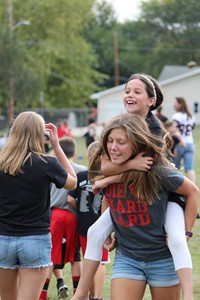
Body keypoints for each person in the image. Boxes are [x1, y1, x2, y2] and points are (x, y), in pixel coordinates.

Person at [71, 73, 197, 300]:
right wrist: (124, 168)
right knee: (94, 231)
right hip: (129, 211)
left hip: (165, 197)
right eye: (127, 91)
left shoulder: (154, 130)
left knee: (177, 239)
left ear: (151, 101)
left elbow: (147, 173)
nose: (130, 95)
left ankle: (189, 294)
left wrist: (111, 178)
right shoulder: (120, 124)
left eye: (137, 92)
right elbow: (103, 167)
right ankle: (80, 294)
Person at [0, 111, 77, 300]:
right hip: (35, 239)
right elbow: (72, 182)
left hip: (2, 238)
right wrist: (57, 146)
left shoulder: (1, 162)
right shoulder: (46, 163)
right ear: (39, 134)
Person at [39, 137, 87, 300]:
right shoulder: (81, 169)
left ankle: (43, 294)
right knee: (75, 257)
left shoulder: (52, 167)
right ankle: (77, 293)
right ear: (74, 151)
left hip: (54, 215)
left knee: (51, 256)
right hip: (73, 215)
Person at [67, 141, 109, 300]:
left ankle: (91, 294)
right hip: (100, 224)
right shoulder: (107, 178)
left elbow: (70, 199)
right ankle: (96, 296)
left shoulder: (82, 175)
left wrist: (81, 208)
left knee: (89, 259)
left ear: (89, 157)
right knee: (100, 261)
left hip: (83, 224)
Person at [172, 97, 196, 183]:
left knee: (175, 167)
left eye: (175, 103)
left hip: (180, 143)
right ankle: (193, 188)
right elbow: (192, 131)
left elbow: (174, 129)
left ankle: (177, 187)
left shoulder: (177, 116)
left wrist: (180, 139)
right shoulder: (190, 116)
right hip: (190, 143)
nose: (173, 105)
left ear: (180, 104)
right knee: (190, 168)